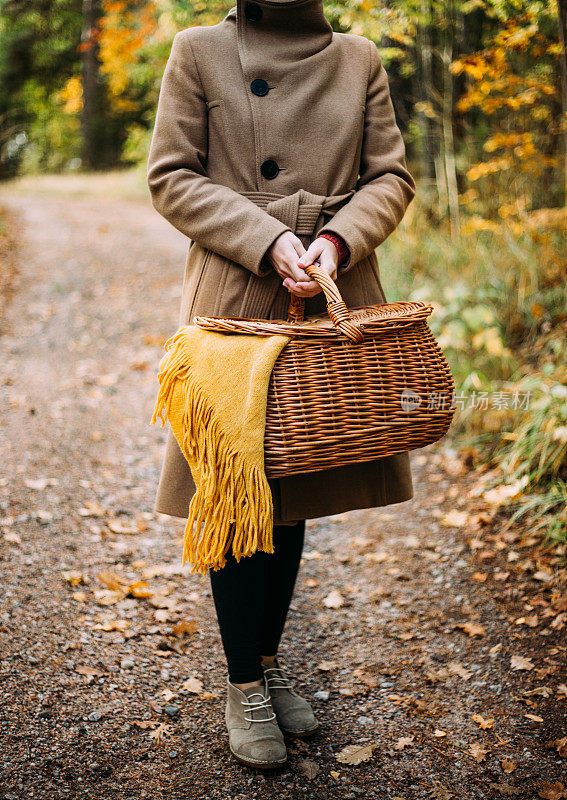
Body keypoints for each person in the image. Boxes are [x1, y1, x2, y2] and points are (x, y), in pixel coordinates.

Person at [147, 0, 416, 770]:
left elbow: (390, 176)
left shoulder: (358, 57)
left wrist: (335, 239)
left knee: (292, 480)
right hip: (236, 293)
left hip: (328, 290)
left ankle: (264, 662)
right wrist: (268, 241)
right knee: (235, 485)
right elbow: (170, 176)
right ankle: (241, 684)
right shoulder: (199, 50)